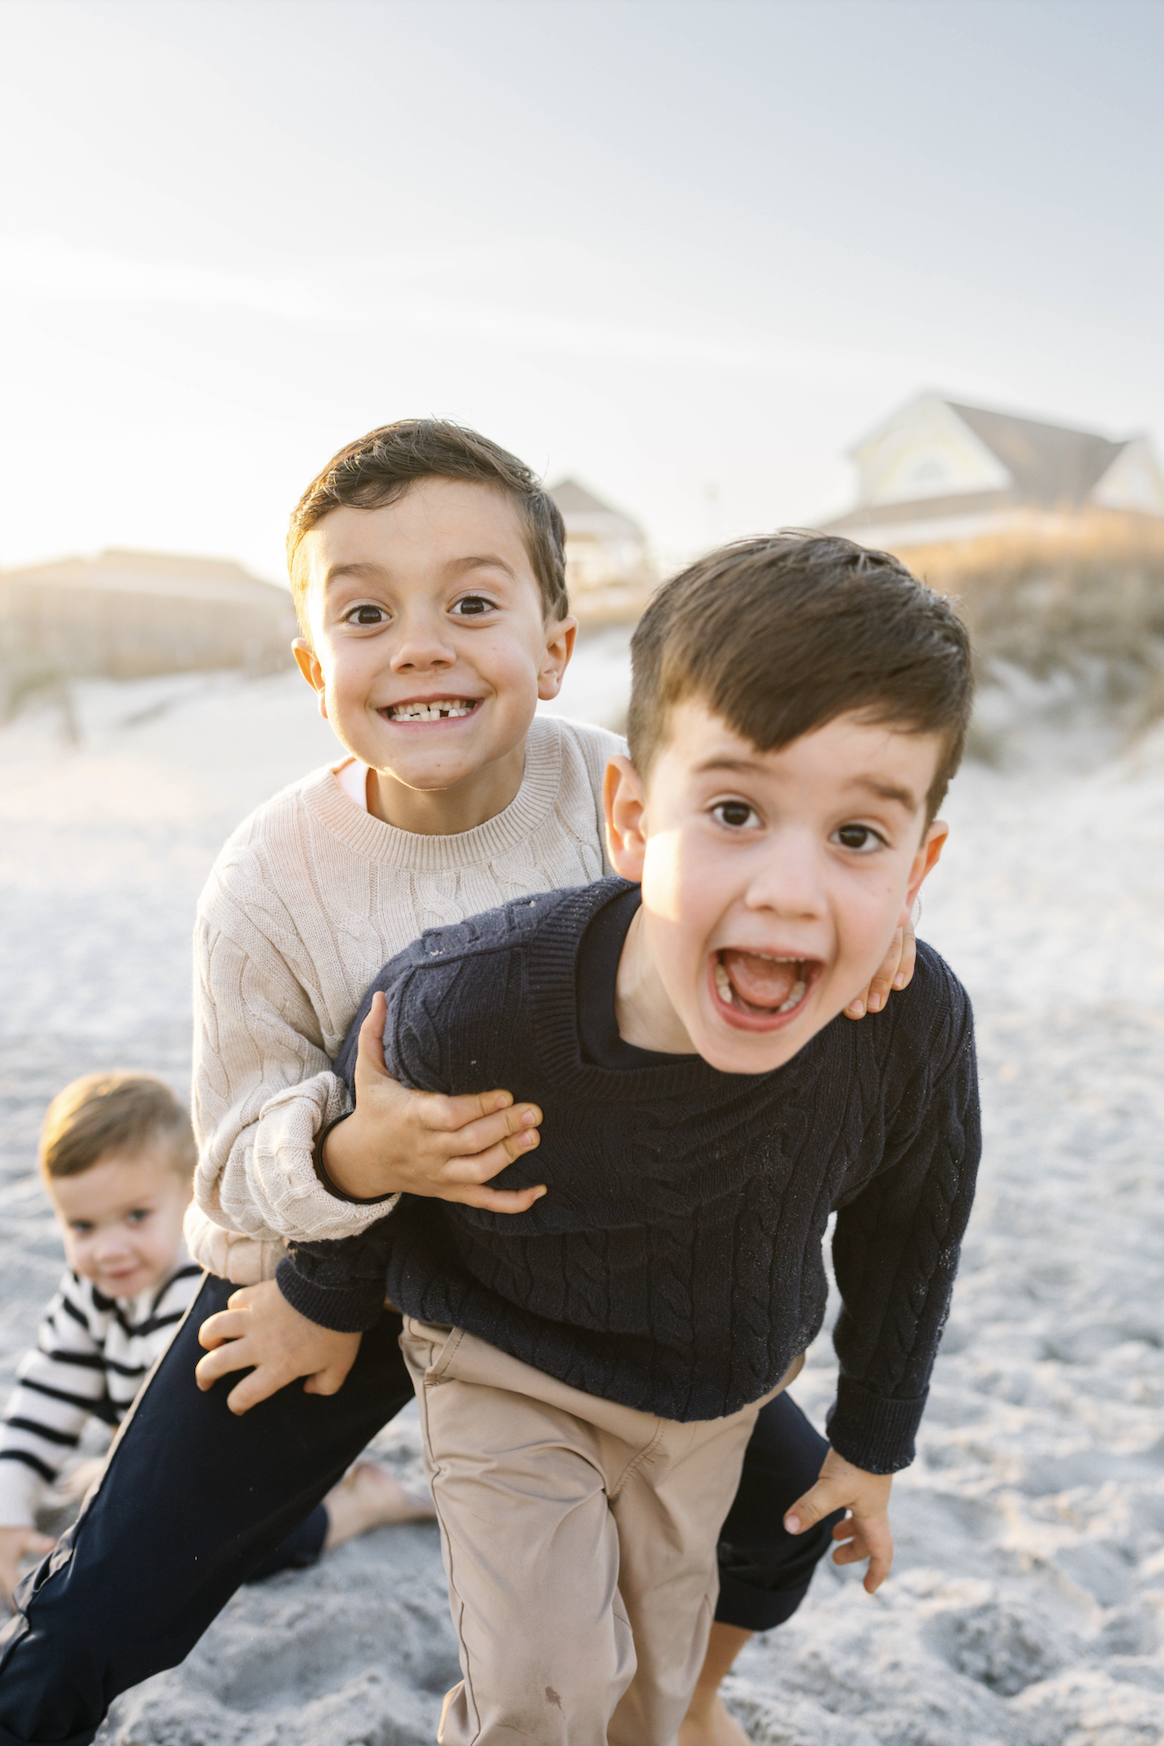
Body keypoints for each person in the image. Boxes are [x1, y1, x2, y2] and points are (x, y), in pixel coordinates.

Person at [0, 424, 910, 1746]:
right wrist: (354, 1158)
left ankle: (692, 1699)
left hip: (582, 1270)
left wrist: (853, 946)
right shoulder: (270, 879)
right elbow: (237, 1149)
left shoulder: (631, 799)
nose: (420, 642)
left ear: (554, 640)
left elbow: (772, 898)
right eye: (367, 612)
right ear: (318, 667)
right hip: (327, 1277)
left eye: (472, 602)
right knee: (118, 1590)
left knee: (778, 1524)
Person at [264, 530, 981, 1742]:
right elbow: (372, 1095)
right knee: (548, 1687)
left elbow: (914, 1228)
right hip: (504, 1353)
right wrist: (322, 1293)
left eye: (858, 838)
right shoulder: (480, 998)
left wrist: (872, 1443)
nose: (793, 891)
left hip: (707, 1393)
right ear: (635, 820)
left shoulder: (906, 1031)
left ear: (917, 869)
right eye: (738, 810)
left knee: (650, 1689)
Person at [0, 1073, 428, 1615]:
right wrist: (9, 1511)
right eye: (82, 1226)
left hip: (257, 1462)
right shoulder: (91, 1290)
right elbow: (45, 1395)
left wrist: (113, 1483)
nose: (110, 1250)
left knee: (221, 1559)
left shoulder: (195, 1287)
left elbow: (192, 1454)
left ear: (189, 1198)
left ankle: (364, 1505)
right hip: (163, 1458)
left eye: (136, 1217)